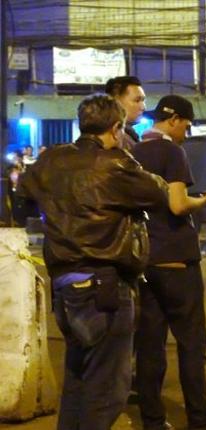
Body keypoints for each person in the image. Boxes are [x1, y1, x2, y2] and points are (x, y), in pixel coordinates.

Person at [18, 94, 169, 429]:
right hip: (105, 287)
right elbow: (158, 192)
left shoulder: (52, 160)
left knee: (78, 383)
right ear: (116, 128)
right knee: (106, 392)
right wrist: (123, 153)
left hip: (66, 287)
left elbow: (23, 194)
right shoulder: (115, 163)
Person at [131, 95, 206, 430]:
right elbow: (176, 205)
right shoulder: (171, 152)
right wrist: (205, 199)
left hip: (145, 263)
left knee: (150, 348)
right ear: (174, 120)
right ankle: (200, 421)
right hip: (176, 261)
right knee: (192, 344)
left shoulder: (132, 152)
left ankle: (153, 421)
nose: (186, 134)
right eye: (186, 125)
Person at [106, 75, 147, 151]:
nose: (143, 107)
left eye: (143, 100)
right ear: (116, 101)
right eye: (137, 100)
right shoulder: (115, 139)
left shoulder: (128, 135)